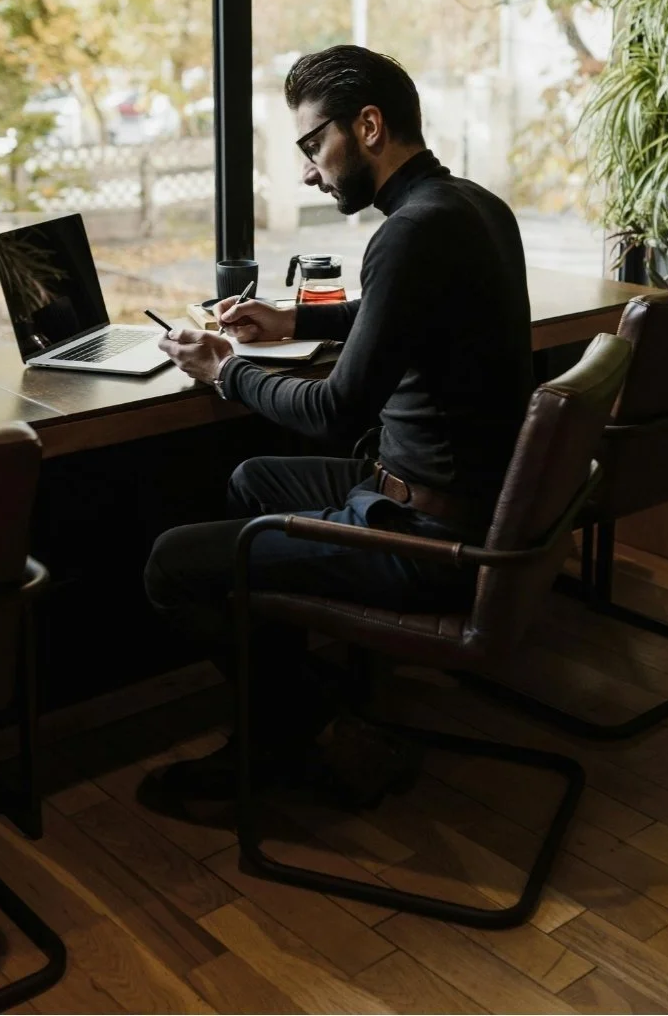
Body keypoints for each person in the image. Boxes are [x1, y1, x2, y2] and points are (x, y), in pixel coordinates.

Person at [141, 45, 533, 809]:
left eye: (312, 144)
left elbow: (333, 412)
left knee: (170, 565)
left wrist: (223, 369)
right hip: (475, 502)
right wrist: (294, 315)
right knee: (253, 479)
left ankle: (295, 729)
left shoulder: (410, 231)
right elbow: (403, 308)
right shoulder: (472, 207)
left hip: (425, 538)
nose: (308, 170)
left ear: (369, 126)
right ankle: (298, 723)